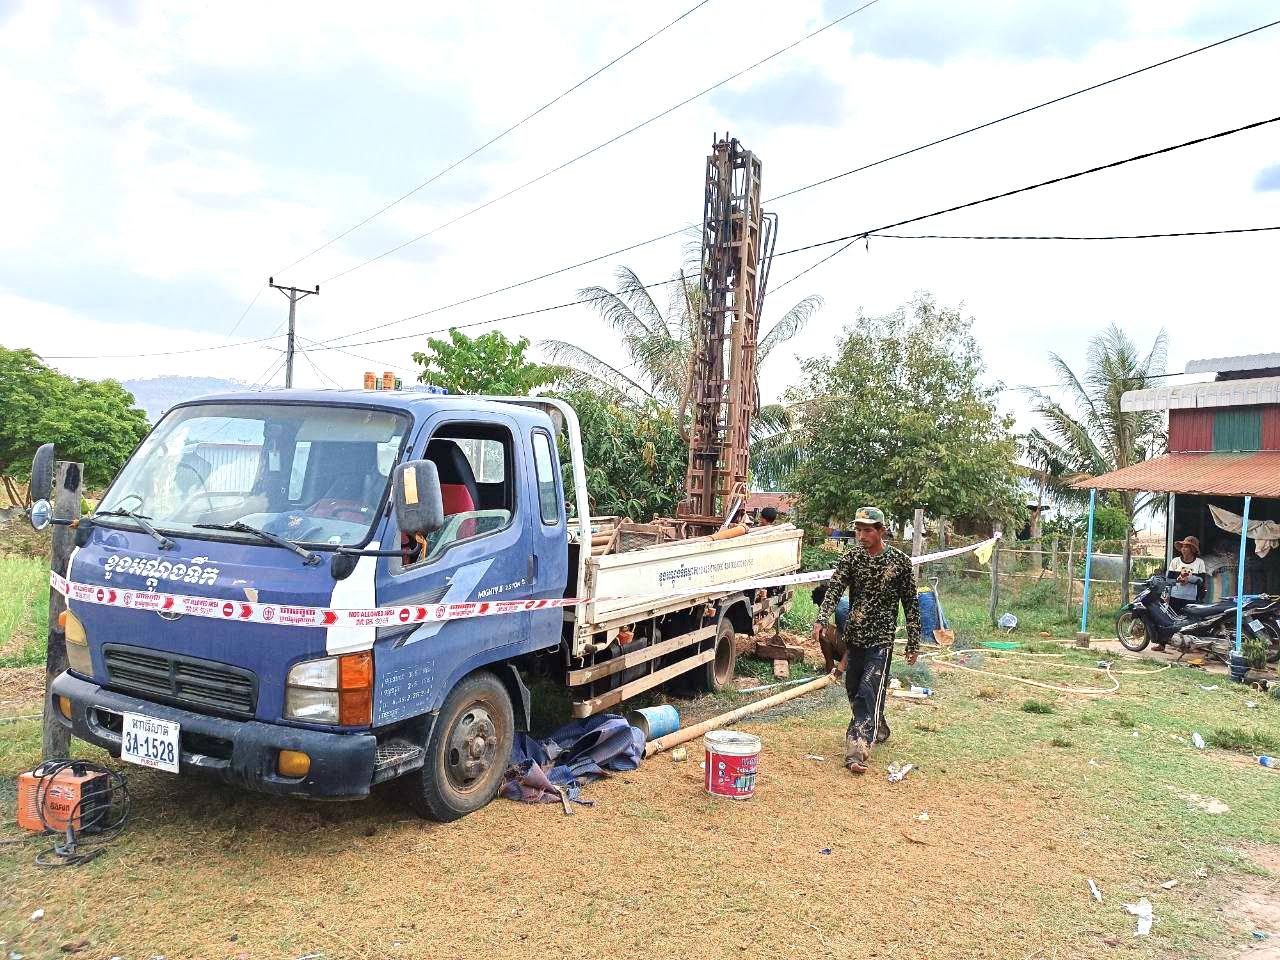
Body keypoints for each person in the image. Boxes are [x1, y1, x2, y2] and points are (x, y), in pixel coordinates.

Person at [812, 506, 921, 773]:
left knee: (867, 692)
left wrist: (913, 642)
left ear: (881, 531)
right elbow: (835, 588)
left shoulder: (900, 562)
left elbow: (911, 603)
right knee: (854, 691)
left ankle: (856, 751)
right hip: (855, 638)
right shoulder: (852, 559)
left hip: (881, 641)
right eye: (858, 530)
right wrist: (821, 619)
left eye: (867, 531)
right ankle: (877, 725)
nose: (861, 536)